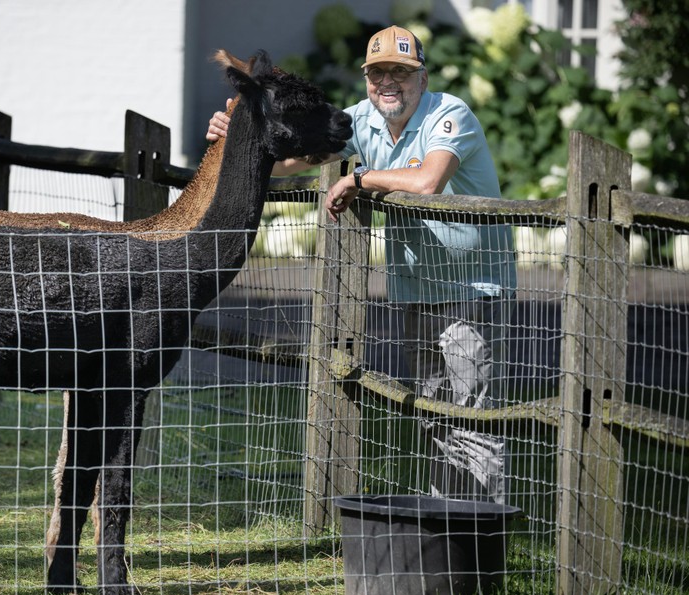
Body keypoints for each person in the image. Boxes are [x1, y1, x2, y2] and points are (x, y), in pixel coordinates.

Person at [206, 26, 516, 504]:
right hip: (417, 287)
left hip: (470, 287)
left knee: (471, 415)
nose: (387, 83)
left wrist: (360, 178)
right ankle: (443, 527)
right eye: (377, 74)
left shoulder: (450, 114)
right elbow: (292, 154)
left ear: (422, 78)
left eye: (400, 72)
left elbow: (429, 180)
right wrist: (239, 131)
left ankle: (481, 545)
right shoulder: (364, 119)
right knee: (434, 415)